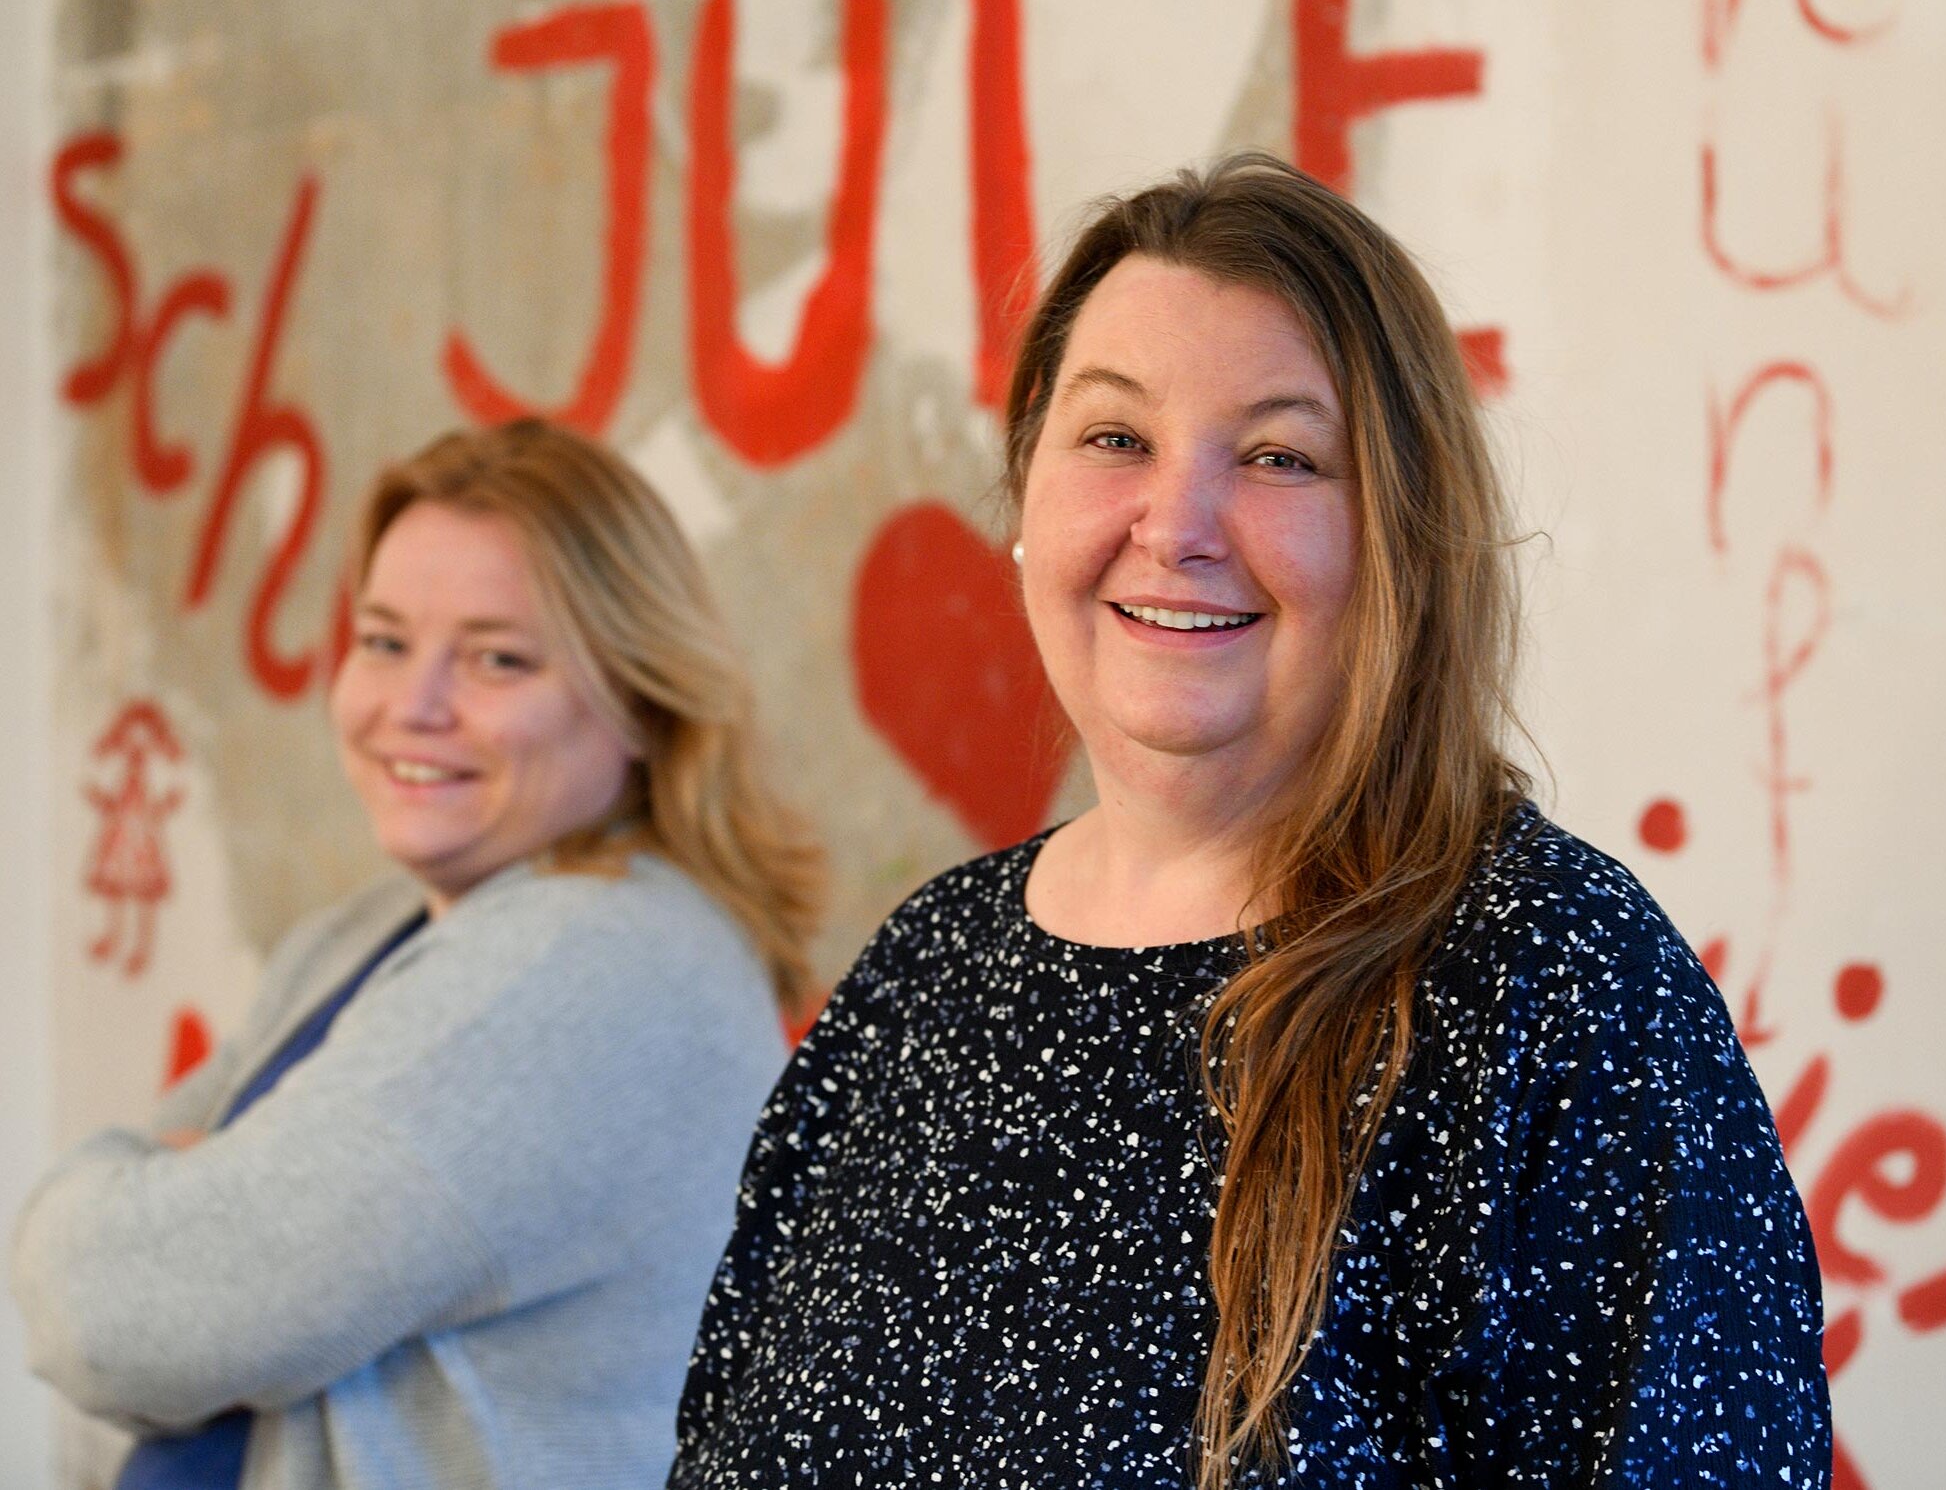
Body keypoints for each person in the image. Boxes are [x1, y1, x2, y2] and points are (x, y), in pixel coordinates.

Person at [666, 153, 1830, 1488]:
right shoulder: (921, 975)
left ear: (1395, 534)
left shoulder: (1550, 983)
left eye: (1277, 455)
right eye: (1114, 438)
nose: (1176, 524)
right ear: (1024, 497)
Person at [14, 420, 821, 1490]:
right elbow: (167, 1288)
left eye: (498, 658)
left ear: (639, 697)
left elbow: (114, 1311)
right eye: (385, 640)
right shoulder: (381, 927)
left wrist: (169, 1183)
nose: (414, 704)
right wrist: (184, 1228)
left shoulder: (589, 969)